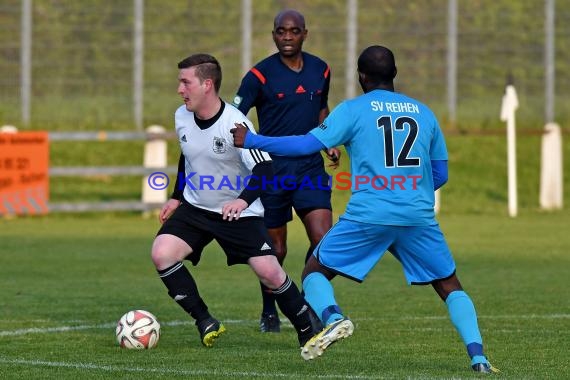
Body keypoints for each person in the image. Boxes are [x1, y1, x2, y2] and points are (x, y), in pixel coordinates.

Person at [231, 45, 499, 373]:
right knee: (448, 284)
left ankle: (334, 318)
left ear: (361, 76)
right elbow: (440, 173)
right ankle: (479, 358)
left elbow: (304, 145)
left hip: (368, 214)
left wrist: (254, 140)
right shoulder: (424, 112)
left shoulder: (353, 111)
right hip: (417, 217)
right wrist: (411, 193)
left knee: (314, 271)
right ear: (395, 74)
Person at [151, 53, 319, 349]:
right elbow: (187, 155)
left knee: (269, 272)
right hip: (196, 208)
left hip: (238, 212)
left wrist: (242, 202)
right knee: (162, 253)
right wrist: (177, 197)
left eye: (185, 82)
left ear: (207, 84)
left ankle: (308, 324)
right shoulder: (181, 116)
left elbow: (265, 169)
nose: (180, 90)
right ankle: (204, 320)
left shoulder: (235, 124)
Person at [232, 8, 341, 333]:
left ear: (305, 33)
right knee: (276, 250)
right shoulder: (259, 75)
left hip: (309, 169)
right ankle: (269, 311)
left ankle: (310, 300)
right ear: (274, 34)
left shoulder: (321, 69)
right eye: (281, 31)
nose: (288, 37)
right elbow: (234, 116)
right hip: (273, 173)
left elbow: (322, 109)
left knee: (324, 240)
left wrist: (329, 139)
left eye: (294, 31)